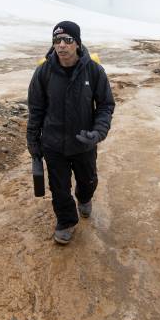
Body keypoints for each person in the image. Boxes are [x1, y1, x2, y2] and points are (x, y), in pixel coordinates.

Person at [27, 21, 115, 245]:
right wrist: (33, 142)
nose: (62, 45)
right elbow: (36, 110)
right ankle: (66, 221)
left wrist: (97, 133)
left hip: (84, 142)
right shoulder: (43, 72)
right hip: (53, 143)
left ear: (77, 43)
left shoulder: (93, 71)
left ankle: (84, 198)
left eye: (68, 40)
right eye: (57, 40)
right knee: (59, 189)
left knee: (88, 181)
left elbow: (105, 105)